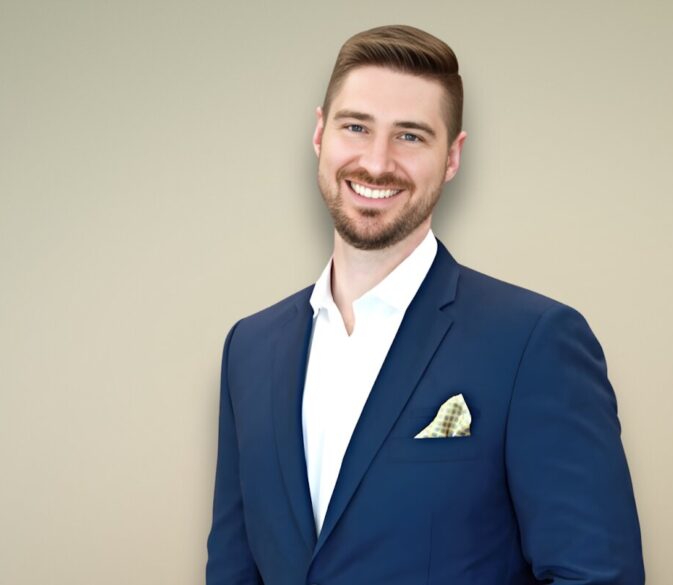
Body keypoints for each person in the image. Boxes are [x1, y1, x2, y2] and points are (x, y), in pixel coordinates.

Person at [206, 24, 644, 585]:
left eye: (410, 136)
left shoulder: (534, 342)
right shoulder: (249, 348)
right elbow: (234, 570)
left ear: (452, 157)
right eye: (356, 126)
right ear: (320, 133)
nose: (377, 162)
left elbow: (598, 575)